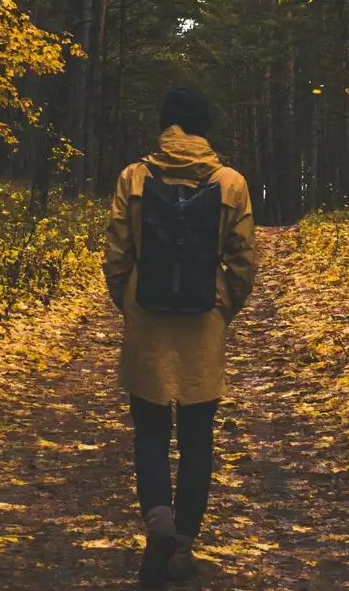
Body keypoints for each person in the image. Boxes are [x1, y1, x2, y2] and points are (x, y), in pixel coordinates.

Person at [103, 87, 258, 588]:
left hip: (147, 317)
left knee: (148, 430)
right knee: (196, 439)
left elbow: (117, 251)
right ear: (204, 129)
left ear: (165, 126)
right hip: (203, 322)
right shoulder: (229, 182)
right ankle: (184, 544)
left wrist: (125, 301)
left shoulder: (135, 176)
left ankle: (159, 521)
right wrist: (222, 306)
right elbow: (243, 259)